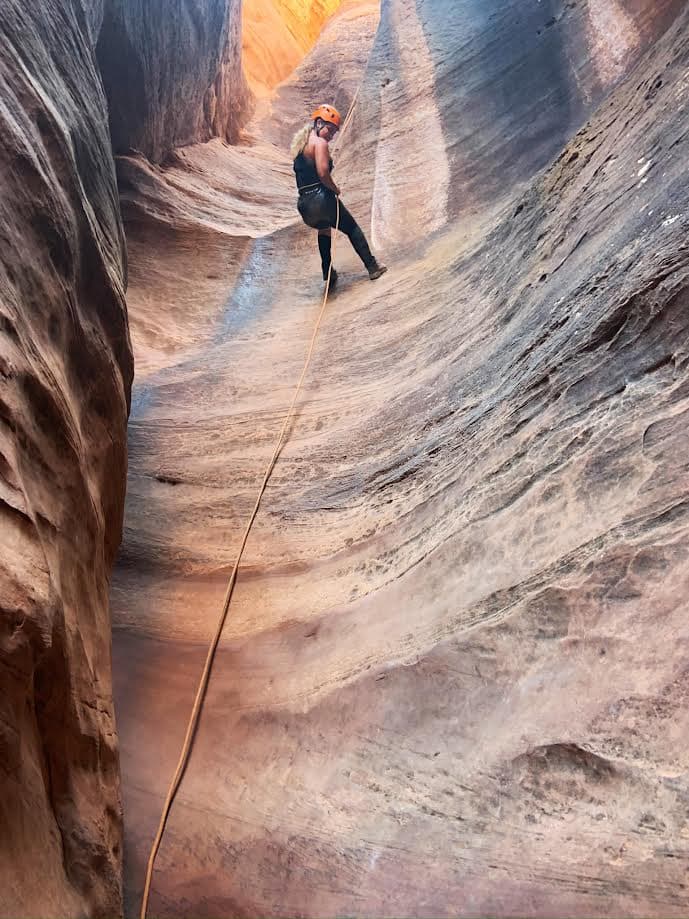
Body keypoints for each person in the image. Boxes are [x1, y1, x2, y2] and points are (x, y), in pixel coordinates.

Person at [292, 104, 387, 288]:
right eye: (330, 129)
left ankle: (328, 272)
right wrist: (334, 188)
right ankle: (372, 266)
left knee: (324, 228)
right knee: (352, 228)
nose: (331, 135)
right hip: (322, 200)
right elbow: (322, 173)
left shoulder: (300, 146)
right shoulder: (319, 144)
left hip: (304, 205)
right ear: (319, 123)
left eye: (335, 132)